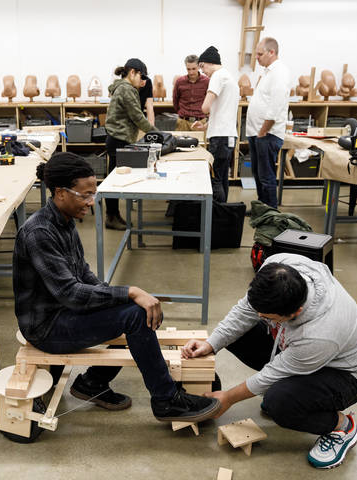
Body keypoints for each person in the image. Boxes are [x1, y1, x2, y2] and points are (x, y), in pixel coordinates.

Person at [13, 152, 220, 423]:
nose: (91, 202)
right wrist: (129, 293)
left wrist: (122, 298)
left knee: (144, 309)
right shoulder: (39, 232)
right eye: (85, 195)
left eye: (93, 194)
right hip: (48, 327)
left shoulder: (64, 220)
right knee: (137, 313)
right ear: (61, 192)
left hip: (63, 313)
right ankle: (166, 400)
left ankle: (91, 384)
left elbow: (82, 272)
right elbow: (71, 294)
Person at [182, 253, 357, 469]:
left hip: (346, 376)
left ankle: (341, 427)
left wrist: (228, 397)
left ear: (296, 311)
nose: (261, 317)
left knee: (279, 404)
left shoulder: (320, 335)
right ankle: (293, 392)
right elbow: (245, 311)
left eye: (269, 318)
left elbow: (273, 373)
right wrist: (211, 344)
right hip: (302, 353)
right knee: (238, 334)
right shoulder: (280, 265)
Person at [105, 58, 156, 230]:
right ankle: (111, 217)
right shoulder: (126, 90)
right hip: (118, 139)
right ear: (132, 72)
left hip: (119, 138)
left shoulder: (123, 88)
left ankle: (114, 215)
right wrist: (155, 132)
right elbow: (137, 116)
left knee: (117, 178)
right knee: (114, 180)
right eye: (140, 75)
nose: (142, 80)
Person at [246, 37, 291, 209]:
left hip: (267, 134)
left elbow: (276, 106)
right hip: (257, 132)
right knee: (258, 174)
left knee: (266, 175)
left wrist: (263, 131)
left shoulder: (279, 72)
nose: (256, 58)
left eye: (259, 54)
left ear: (271, 52)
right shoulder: (267, 72)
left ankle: (271, 213)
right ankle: (262, 209)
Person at [193, 46, 239, 202]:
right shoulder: (229, 77)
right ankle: (223, 214)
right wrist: (205, 126)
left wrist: (203, 108)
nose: (202, 71)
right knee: (222, 177)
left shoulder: (218, 76)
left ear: (210, 62)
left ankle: (215, 216)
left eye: (202, 66)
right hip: (228, 136)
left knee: (215, 179)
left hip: (219, 138)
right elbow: (223, 112)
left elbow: (205, 107)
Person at [173, 54, 209, 131]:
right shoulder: (179, 82)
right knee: (180, 143)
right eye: (188, 69)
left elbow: (209, 101)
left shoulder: (207, 82)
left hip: (200, 122)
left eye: (194, 69)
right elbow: (175, 100)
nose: (191, 72)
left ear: (199, 67)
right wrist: (182, 113)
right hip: (183, 122)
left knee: (200, 143)